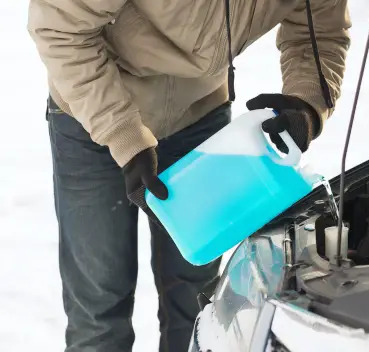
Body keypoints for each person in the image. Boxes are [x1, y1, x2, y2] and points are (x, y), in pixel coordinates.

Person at [27, 0, 351, 351]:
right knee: (99, 306)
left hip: (200, 116)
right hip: (93, 114)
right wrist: (123, 134)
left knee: (197, 302)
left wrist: (306, 103)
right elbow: (59, 27)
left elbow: (319, 29)